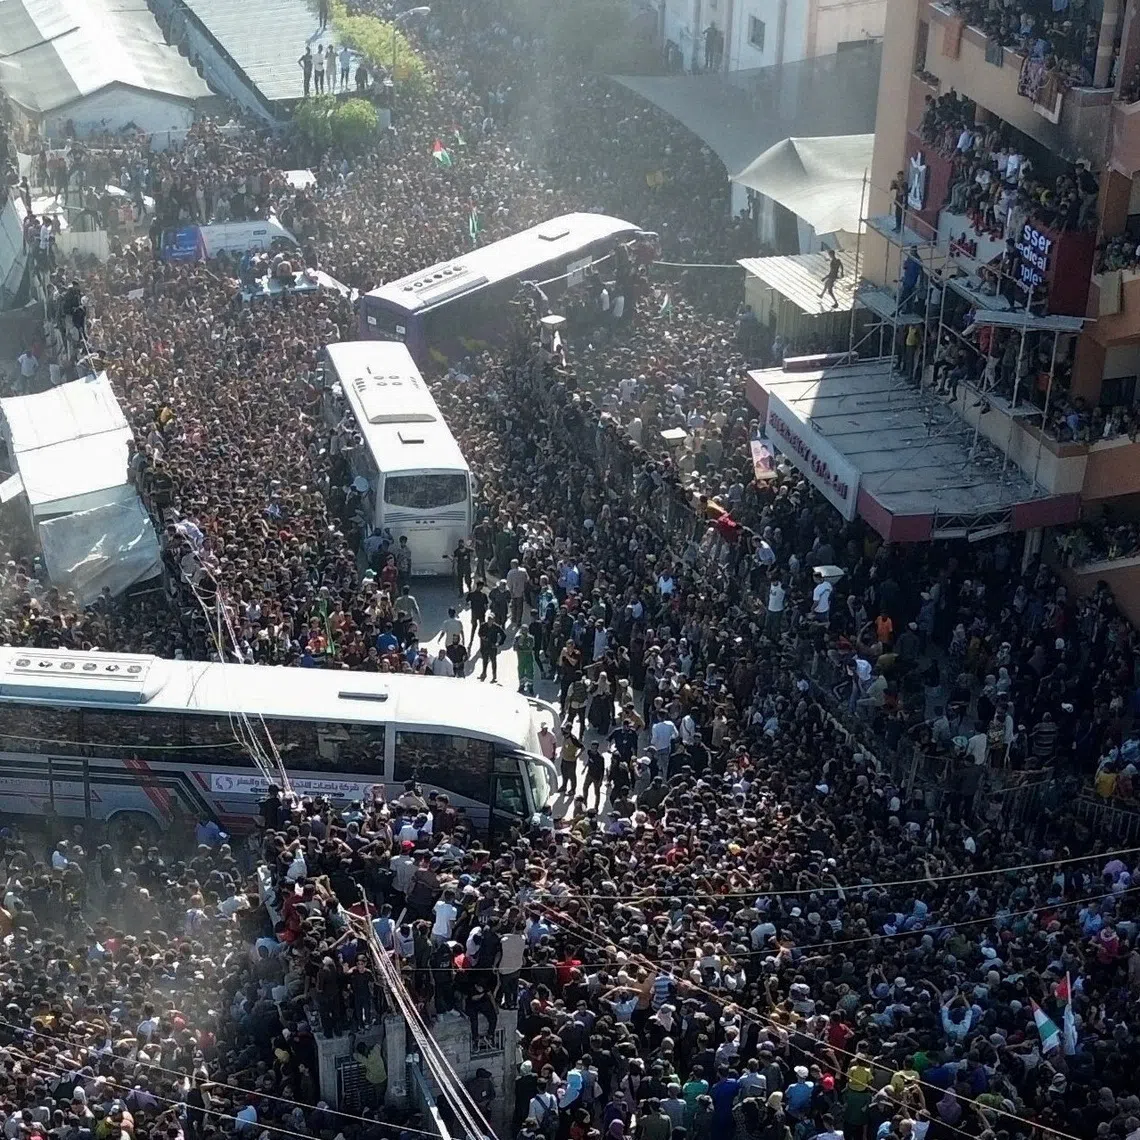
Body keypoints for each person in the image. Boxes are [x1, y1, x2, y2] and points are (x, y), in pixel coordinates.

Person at [477, 612, 505, 682]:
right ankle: (484, 673)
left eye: (491, 619)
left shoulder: (496, 627)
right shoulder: (483, 625)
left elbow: (503, 635)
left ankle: (494, 676)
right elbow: (479, 633)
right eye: (488, 619)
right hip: (484, 646)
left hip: (492, 646)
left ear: (493, 620)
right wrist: (482, 637)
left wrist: (499, 643)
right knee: (484, 660)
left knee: (493, 661)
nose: (489, 620)